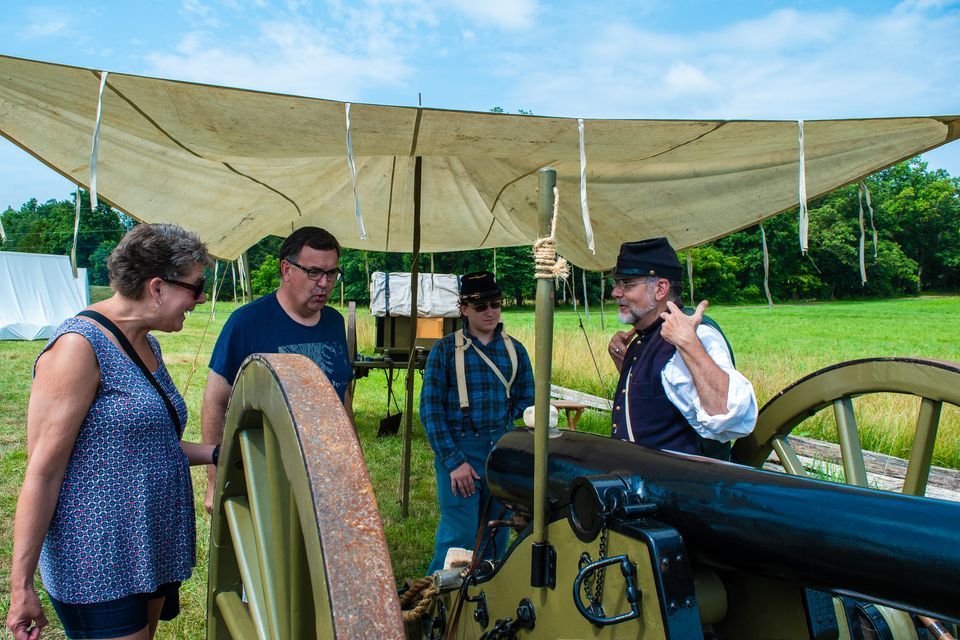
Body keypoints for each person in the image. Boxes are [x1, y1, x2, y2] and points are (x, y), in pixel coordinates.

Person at [7, 224, 217, 640]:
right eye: (196, 287)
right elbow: (43, 472)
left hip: (149, 548)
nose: (200, 299)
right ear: (157, 287)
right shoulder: (78, 347)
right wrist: (21, 587)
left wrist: (215, 452)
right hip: (98, 559)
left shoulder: (146, 343)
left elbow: (148, 446)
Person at [202, 226, 353, 511]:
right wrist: (214, 479)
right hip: (266, 477)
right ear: (286, 270)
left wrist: (352, 461)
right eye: (314, 272)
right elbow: (216, 401)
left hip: (324, 474)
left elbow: (342, 396)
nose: (324, 283)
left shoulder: (334, 323)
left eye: (332, 273)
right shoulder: (246, 323)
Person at [420, 271, 534, 574]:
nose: (490, 312)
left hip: (501, 450)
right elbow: (431, 411)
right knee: (460, 533)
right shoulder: (445, 350)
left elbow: (527, 400)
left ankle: (487, 594)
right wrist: (454, 461)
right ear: (463, 309)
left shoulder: (515, 350)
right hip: (461, 449)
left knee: (497, 530)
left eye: (495, 304)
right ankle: (441, 596)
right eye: (480, 306)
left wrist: (507, 428)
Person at [607, 237, 757, 459]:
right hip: (642, 476)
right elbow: (656, 405)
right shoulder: (643, 338)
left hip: (686, 479)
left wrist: (689, 344)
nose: (615, 292)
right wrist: (624, 361)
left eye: (626, 283)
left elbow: (730, 416)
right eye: (617, 283)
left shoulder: (698, 333)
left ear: (660, 288)